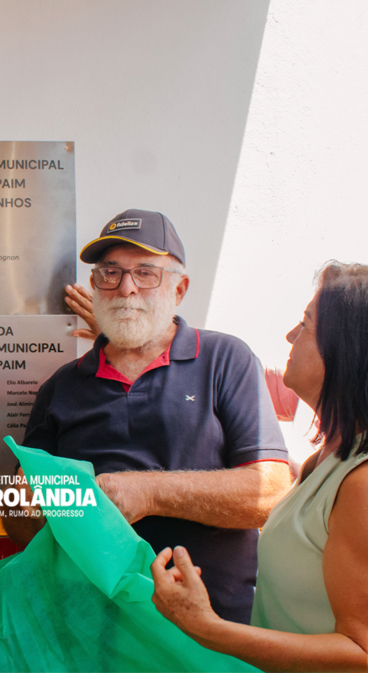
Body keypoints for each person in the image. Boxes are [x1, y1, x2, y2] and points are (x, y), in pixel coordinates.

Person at [3, 208, 291, 624]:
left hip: (211, 632)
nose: (126, 288)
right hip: (93, 630)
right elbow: (19, 524)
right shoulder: (62, 386)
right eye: (110, 273)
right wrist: (22, 505)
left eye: (145, 273)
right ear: (95, 286)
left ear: (179, 289)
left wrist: (149, 492)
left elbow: (270, 494)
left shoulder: (225, 359)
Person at [152, 261, 368, 670]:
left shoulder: (361, 483)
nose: (291, 335)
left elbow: (362, 653)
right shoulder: (323, 461)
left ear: (346, 349)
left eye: (305, 324)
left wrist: (207, 628)